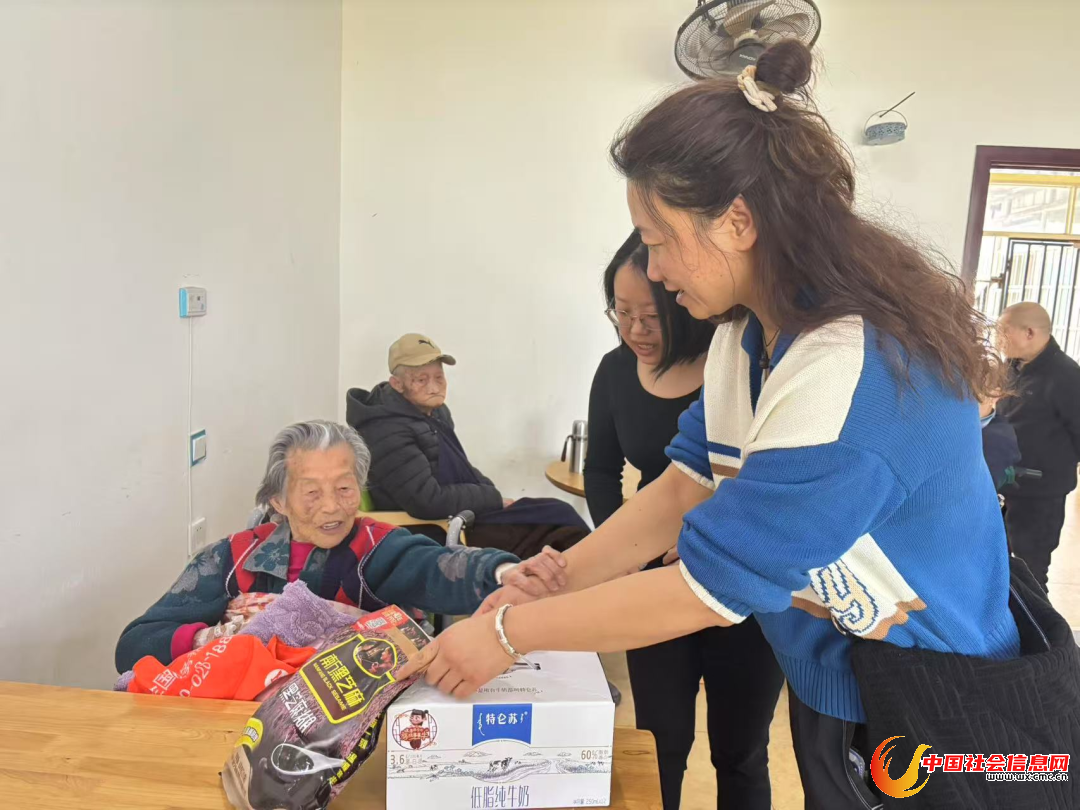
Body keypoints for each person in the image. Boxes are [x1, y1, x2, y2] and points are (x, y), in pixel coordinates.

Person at [399, 41, 1022, 809]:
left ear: (737, 221)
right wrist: (552, 582)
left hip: (936, 700)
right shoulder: (745, 337)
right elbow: (681, 489)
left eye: (660, 241)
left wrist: (507, 635)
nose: (655, 270)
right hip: (840, 677)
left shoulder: (852, 371)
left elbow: (705, 589)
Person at [585, 232, 782, 810]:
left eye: (650, 316)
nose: (635, 330)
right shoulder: (614, 372)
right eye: (622, 313)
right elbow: (602, 470)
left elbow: (764, 477)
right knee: (660, 743)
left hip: (739, 579)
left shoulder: (738, 364)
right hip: (653, 579)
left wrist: (703, 539)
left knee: (741, 752)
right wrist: (624, 556)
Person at [115, 420, 565, 672]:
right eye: (311, 493)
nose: (332, 507)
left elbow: (438, 566)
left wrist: (504, 572)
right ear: (278, 501)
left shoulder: (375, 551)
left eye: (345, 489)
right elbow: (133, 646)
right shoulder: (231, 560)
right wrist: (217, 639)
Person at [346, 333, 590, 557]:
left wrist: (493, 493)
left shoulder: (434, 412)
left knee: (558, 511)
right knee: (561, 531)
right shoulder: (385, 429)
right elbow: (427, 501)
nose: (434, 387)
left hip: (461, 514)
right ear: (397, 384)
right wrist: (492, 499)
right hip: (435, 530)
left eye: (439, 377)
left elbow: (462, 466)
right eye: (421, 379)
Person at [997, 302, 1080, 590]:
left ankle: (1036, 620)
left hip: (1039, 494)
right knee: (996, 564)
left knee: (1030, 572)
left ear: (1029, 332)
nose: (997, 340)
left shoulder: (1066, 375)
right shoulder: (1011, 368)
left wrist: (1052, 467)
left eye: (1003, 332)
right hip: (1002, 485)